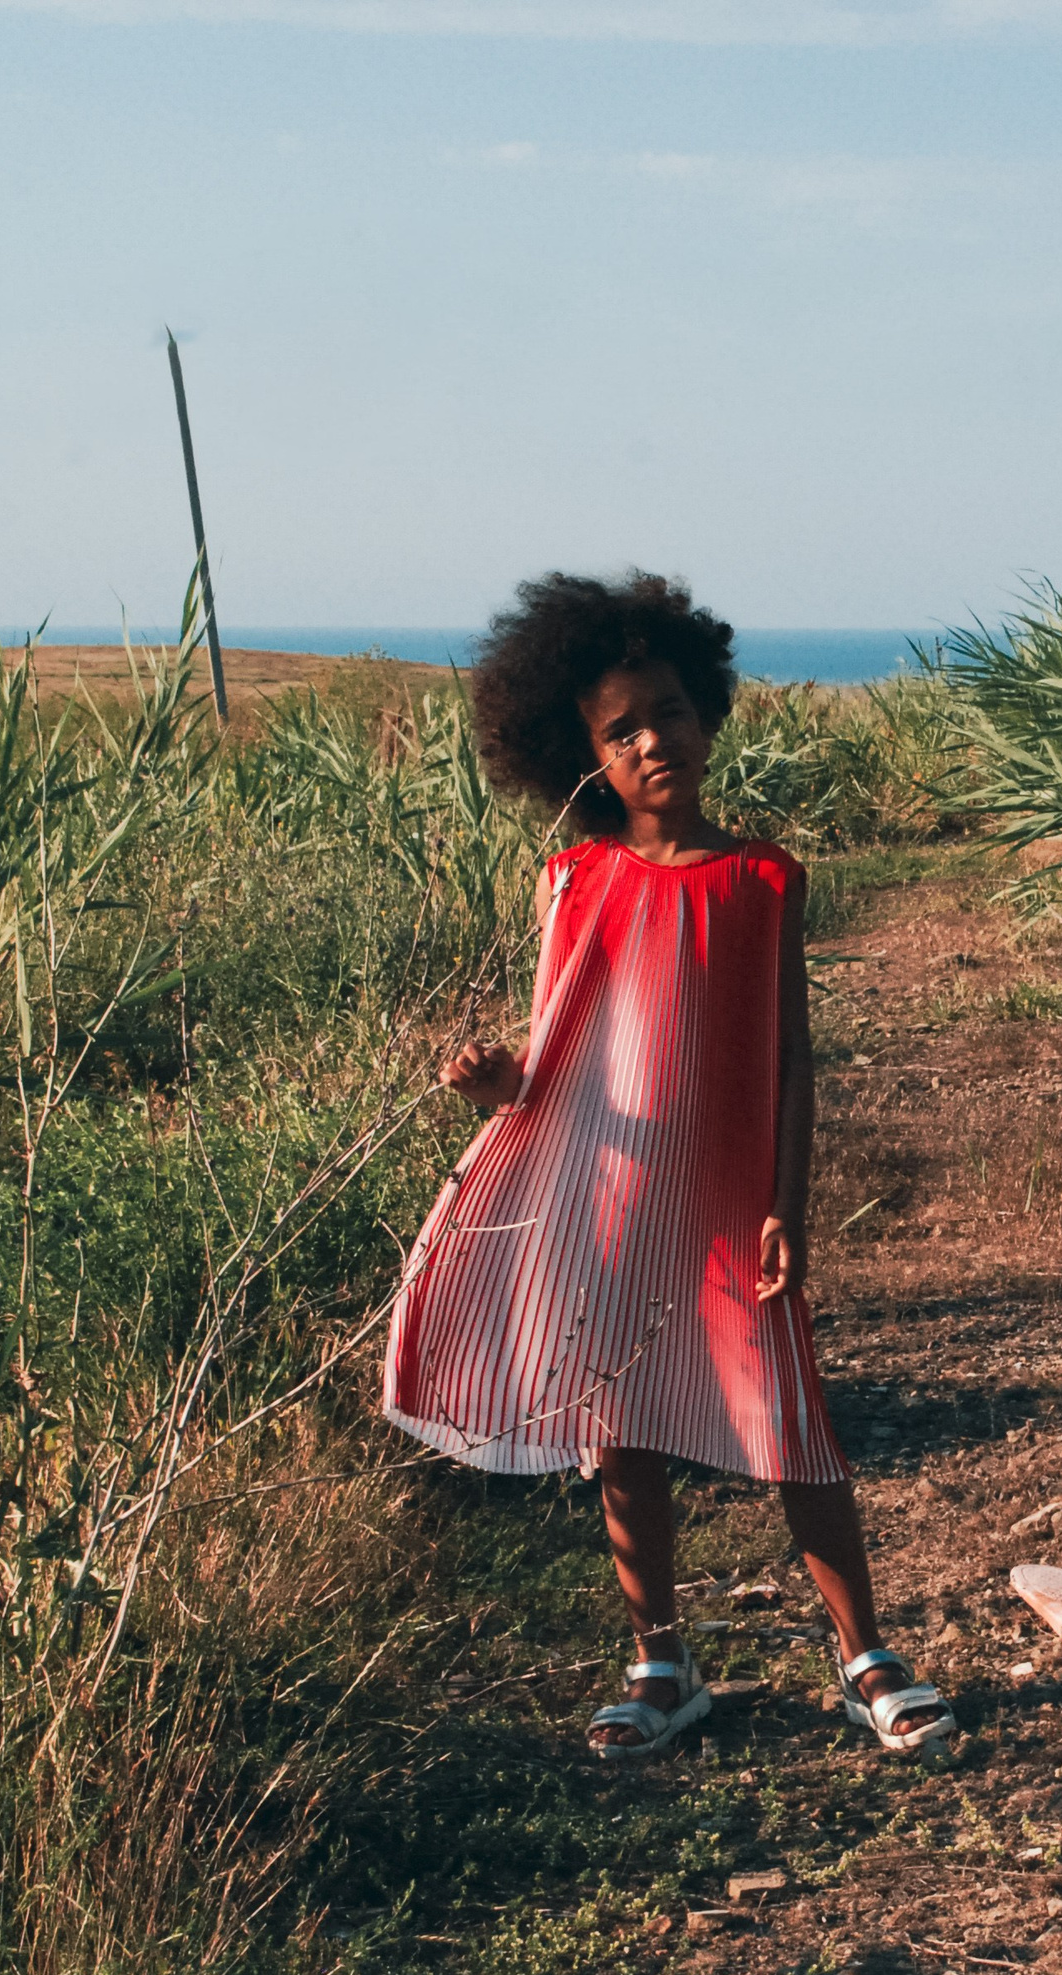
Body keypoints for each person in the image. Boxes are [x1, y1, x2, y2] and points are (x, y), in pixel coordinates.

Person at [384, 570, 955, 1763]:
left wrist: (788, 1203)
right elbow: (553, 1051)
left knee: (787, 1421)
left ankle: (865, 1657)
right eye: (621, 729)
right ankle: (661, 1659)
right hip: (603, 1193)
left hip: (728, 1205)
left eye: (671, 712)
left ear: (709, 712)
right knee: (621, 1424)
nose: (654, 742)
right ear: (582, 755)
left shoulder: (763, 876)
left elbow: (790, 1054)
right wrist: (490, 1080)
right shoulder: (575, 880)